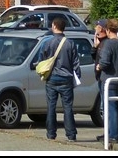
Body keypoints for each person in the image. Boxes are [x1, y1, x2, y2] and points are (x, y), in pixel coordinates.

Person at [40, 15, 80, 143]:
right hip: (66, 78)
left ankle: (51, 133)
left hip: (52, 78)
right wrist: (77, 76)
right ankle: (71, 134)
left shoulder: (48, 42)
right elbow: (75, 62)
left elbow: (42, 60)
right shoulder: (70, 43)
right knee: (68, 107)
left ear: (54, 26)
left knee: (51, 106)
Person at [98, 18, 118, 147]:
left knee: (111, 109)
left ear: (107, 29)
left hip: (109, 79)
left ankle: (113, 135)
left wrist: (99, 66)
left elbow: (105, 62)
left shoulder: (108, 44)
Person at [92, 20, 109, 119]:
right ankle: (107, 131)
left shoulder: (107, 42)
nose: (95, 29)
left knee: (105, 104)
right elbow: (94, 57)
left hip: (105, 77)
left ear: (102, 28)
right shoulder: (100, 42)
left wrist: (100, 66)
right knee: (104, 102)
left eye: (97, 27)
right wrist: (95, 46)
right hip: (99, 77)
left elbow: (104, 60)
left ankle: (109, 131)